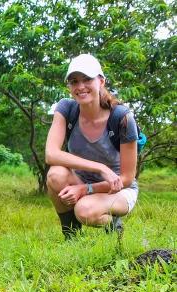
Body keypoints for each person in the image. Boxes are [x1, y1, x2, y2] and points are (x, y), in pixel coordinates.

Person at [45, 54, 139, 239]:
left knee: (85, 210)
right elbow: (51, 154)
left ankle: (114, 227)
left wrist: (85, 189)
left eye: (87, 79)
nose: (80, 87)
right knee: (55, 174)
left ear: (101, 81)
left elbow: (126, 179)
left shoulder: (122, 117)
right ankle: (71, 238)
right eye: (74, 81)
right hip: (81, 179)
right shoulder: (66, 109)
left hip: (118, 190)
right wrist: (100, 167)